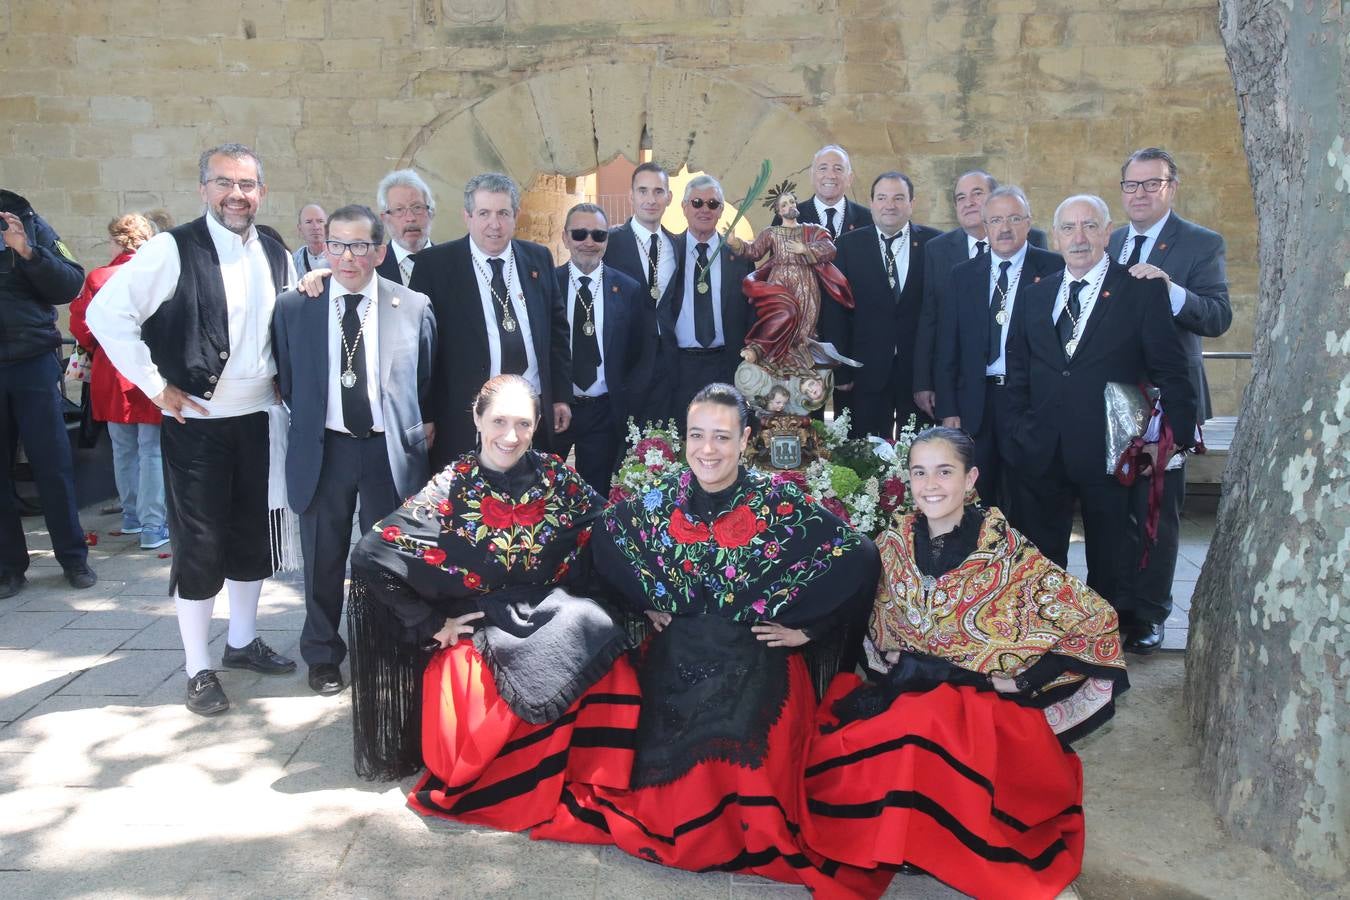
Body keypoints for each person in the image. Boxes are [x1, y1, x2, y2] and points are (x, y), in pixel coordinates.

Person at [534, 383, 887, 897]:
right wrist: (644, 599)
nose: (707, 449)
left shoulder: (777, 502)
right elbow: (605, 539)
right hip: (679, 652)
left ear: (745, 440)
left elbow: (856, 555)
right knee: (662, 765)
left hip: (756, 654)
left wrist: (807, 628)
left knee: (743, 747)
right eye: (697, 435)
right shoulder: (659, 501)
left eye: (721, 437)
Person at [800, 427, 1128, 900]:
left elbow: (1095, 619)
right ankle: (904, 840)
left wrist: (1026, 679)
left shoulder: (1008, 553)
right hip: (907, 690)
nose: (931, 484)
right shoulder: (890, 546)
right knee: (887, 732)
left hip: (981, 707)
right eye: (919, 472)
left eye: (945, 471)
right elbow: (865, 613)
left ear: (970, 478)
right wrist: (878, 647)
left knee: (919, 727)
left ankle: (925, 841)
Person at [345, 374, 640, 830]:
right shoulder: (450, 486)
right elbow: (371, 553)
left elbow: (613, 530)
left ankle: (590, 775)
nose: (510, 435)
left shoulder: (556, 475)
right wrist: (431, 623)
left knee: (606, 636)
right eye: (499, 420)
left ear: (538, 424)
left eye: (523, 423)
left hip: (552, 609)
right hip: (487, 620)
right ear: (477, 419)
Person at [88, 143, 298, 716]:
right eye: (225, 182)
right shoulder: (170, 248)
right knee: (201, 546)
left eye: (248, 183)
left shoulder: (277, 249)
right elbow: (104, 313)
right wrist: (155, 385)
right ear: (204, 188)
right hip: (198, 423)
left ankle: (241, 642)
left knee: (255, 538)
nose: (237, 193)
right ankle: (197, 667)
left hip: (260, 418)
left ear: (262, 191)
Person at [1002, 194, 1195, 614]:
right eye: (1068, 228)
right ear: (1055, 237)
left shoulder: (1139, 291)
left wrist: (1176, 436)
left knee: (1111, 559)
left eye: (1090, 226)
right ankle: (1045, 632)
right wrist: (1017, 427)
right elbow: (1018, 368)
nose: (1079, 237)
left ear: (1108, 232)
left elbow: (1171, 369)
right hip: (1042, 450)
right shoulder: (1037, 295)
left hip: (1111, 454)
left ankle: (1102, 640)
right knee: (1039, 560)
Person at [272, 204, 436, 696]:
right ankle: (322, 654)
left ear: (379, 251)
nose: (347, 256)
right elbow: (288, 378)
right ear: (324, 249)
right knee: (323, 557)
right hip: (326, 449)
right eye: (336, 244)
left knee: (390, 558)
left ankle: (388, 648)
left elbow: (422, 380)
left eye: (360, 245)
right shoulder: (295, 307)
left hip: (388, 452)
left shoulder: (411, 306)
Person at [1109, 147, 1232, 653]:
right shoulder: (1112, 240)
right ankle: (1115, 605)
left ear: (1171, 187)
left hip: (1167, 403)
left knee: (1157, 512)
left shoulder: (1200, 243)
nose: (1139, 194)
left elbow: (1219, 316)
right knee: (1116, 513)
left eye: (1150, 184)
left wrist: (1171, 289)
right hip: (1113, 401)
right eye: (1131, 185)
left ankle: (1151, 614)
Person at [409, 172, 571, 468]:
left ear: (516, 216)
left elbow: (557, 332)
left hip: (531, 411)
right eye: (484, 213)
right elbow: (422, 351)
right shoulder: (435, 266)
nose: (493, 224)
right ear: (467, 216)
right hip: (466, 418)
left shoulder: (538, 259)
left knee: (531, 501)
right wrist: (426, 414)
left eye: (502, 213)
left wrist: (560, 395)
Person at [934, 186, 1061, 509]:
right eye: (996, 220)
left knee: (1032, 498)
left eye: (1014, 218)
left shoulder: (1053, 270)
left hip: (1028, 404)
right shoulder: (962, 275)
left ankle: (1033, 560)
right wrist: (948, 408)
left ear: (1029, 222)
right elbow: (947, 345)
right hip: (975, 404)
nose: (1005, 228)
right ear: (985, 225)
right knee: (977, 499)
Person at [0, 189, 95, 599]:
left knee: (52, 463)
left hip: (32, 360)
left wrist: (28, 253)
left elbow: (70, 282)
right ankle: (9, 567)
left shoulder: (25, 219)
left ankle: (73, 558)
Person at [913, 170, 1051, 421]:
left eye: (977, 193)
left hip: (1029, 399)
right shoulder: (948, 260)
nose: (969, 202)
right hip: (973, 397)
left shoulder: (1048, 260)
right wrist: (940, 397)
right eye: (961, 197)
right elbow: (937, 327)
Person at [68, 213, 169, 550]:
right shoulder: (155, 274)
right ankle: (154, 526)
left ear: (115, 241)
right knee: (151, 450)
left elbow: (82, 328)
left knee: (124, 450)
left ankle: (132, 517)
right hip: (149, 368)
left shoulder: (99, 277)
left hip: (111, 372)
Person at [828, 171, 939, 439]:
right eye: (882, 198)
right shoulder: (846, 246)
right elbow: (835, 312)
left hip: (917, 375)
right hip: (863, 372)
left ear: (912, 203)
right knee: (864, 453)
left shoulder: (935, 245)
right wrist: (841, 371)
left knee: (916, 450)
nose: (890, 205)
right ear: (872, 203)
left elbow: (940, 314)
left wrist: (934, 377)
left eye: (899, 198)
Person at [551, 203, 646, 496]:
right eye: (580, 234)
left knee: (595, 497)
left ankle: (593, 543)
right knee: (546, 490)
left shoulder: (628, 289)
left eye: (598, 235)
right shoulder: (547, 284)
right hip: (557, 406)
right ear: (565, 238)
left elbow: (637, 351)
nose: (589, 242)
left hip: (603, 411)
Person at [727, 190, 852, 376]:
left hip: (806, 283)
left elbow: (830, 249)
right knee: (782, 315)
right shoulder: (771, 233)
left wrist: (805, 248)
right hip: (778, 283)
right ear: (778, 211)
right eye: (784, 204)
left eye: (792, 202)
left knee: (805, 324)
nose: (789, 206)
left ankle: (799, 366)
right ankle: (770, 360)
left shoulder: (812, 230)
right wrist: (736, 243)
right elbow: (754, 252)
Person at [663, 176, 753, 428]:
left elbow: (751, 311)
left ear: (721, 210)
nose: (705, 209)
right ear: (684, 207)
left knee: (727, 436)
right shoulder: (668, 252)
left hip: (726, 364)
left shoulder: (739, 256)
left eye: (713, 204)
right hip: (680, 366)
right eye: (697, 202)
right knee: (683, 436)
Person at [603, 162, 680, 427]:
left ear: (669, 197)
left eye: (658, 191)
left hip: (668, 360)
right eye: (643, 191)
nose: (651, 199)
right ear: (631, 196)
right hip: (626, 359)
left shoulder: (676, 245)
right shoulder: (610, 243)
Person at [770, 144, 874, 238]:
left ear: (850, 178)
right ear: (811, 175)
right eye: (823, 168)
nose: (831, 175)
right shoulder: (786, 217)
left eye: (838, 169)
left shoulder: (869, 220)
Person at [374, 170, 435, 286]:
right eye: (399, 210)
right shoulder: (374, 269)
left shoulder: (453, 263)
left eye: (417, 207)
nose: (410, 218)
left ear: (430, 212)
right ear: (385, 218)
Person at [292, 203, 328, 275]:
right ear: (300, 228)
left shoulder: (339, 257)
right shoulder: (295, 260)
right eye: (308, 222)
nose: (316, 227)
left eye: (320, 221)